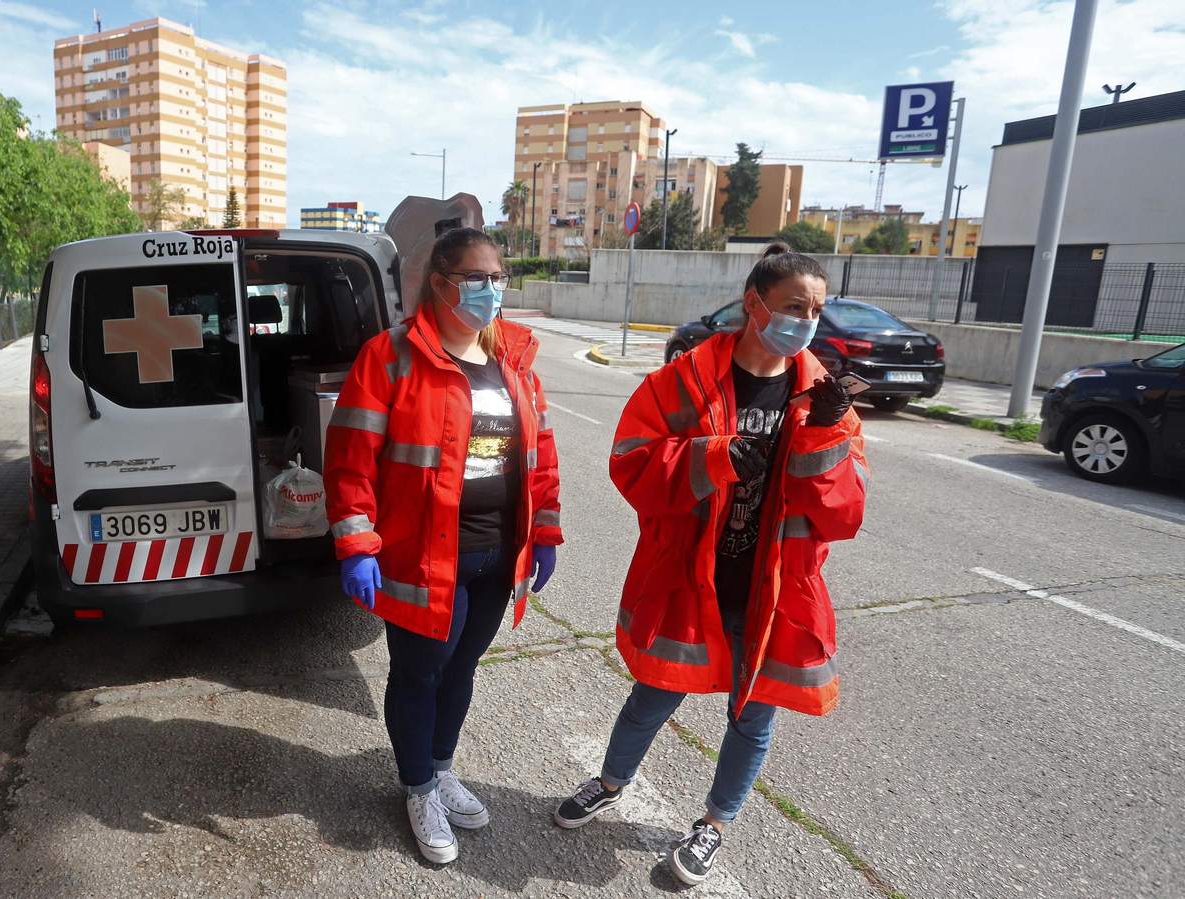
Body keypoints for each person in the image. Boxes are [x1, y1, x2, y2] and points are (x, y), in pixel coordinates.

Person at [553, 242, 867, 885]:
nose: (806, 320)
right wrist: (713, 456)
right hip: (690, 577)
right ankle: (611, 782)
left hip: (773, 588)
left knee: (752, 716)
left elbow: (844, 514)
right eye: (793, 306)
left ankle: (715, 825)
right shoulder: (680, 382)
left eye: (816, 309)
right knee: (652, 697)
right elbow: (632, 466)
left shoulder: (823, 400)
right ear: (754, 305)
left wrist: (825, 435)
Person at [324, 227, 564, 864]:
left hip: (496, 553)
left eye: (498, 278)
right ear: (439, 284)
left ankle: (441, 765)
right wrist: (356, 544)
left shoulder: (513, 363)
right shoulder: (391, 357)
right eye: (476, 279)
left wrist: (544, 533)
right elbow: (350, 461)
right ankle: (417, 787)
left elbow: (540, 458)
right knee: (420, 673)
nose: (490, 290)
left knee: (462, 668)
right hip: (425, 556)